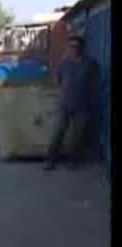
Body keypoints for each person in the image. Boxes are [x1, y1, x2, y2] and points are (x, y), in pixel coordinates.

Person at [44, 35, 100, 170]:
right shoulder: (64, 63)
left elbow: (95, 83)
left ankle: (73, 161)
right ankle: (51, 161)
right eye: (71, 46)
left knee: (77, 135)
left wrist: (91, 101)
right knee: (58, 132)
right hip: (65, 104)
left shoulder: (91, 64)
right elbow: (58, 80)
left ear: (82, 47)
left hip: (83, 105)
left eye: (76, 46)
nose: (73, 49)